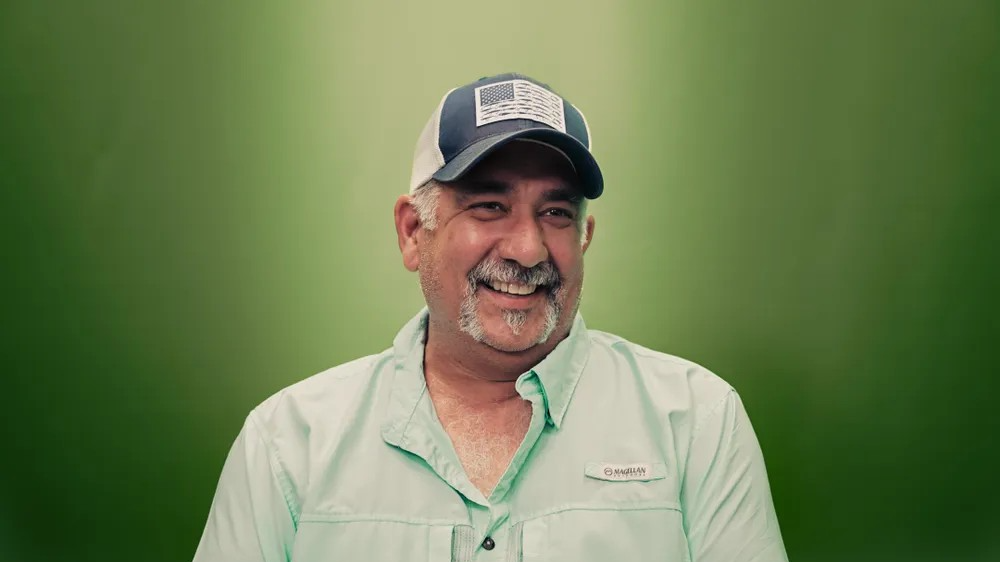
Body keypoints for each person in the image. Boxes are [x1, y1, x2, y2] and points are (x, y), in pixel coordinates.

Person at [193, 73, 789, 562]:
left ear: (584, 237)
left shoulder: (697, 423)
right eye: (488, 205)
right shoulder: (288, 444)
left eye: (555, 212)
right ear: (412, 232)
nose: (527, 249)